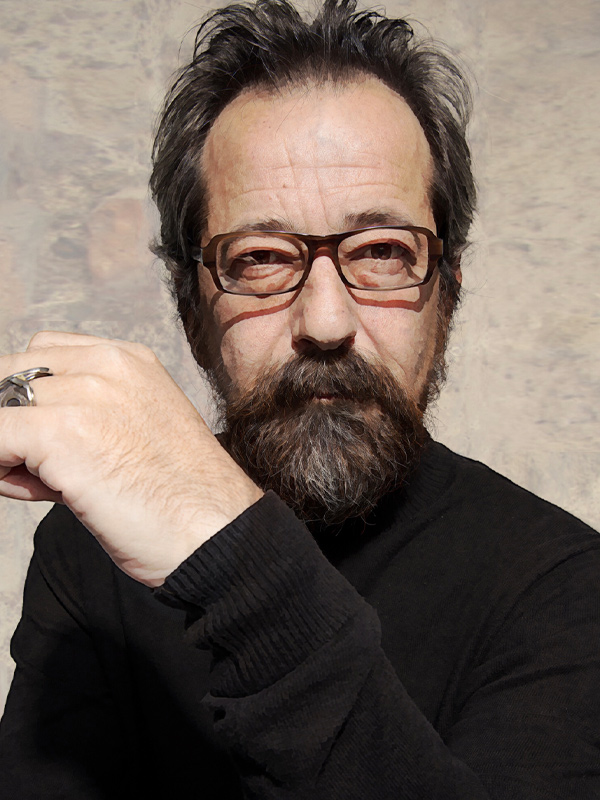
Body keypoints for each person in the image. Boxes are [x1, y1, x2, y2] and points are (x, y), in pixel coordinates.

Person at [0, 0, 599, 797]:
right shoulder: (87, 554)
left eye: (382, 251)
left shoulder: (566, 585)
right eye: (261, 258)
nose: (325, 322)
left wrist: (227, 551)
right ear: (190, 309)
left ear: (447, 294)